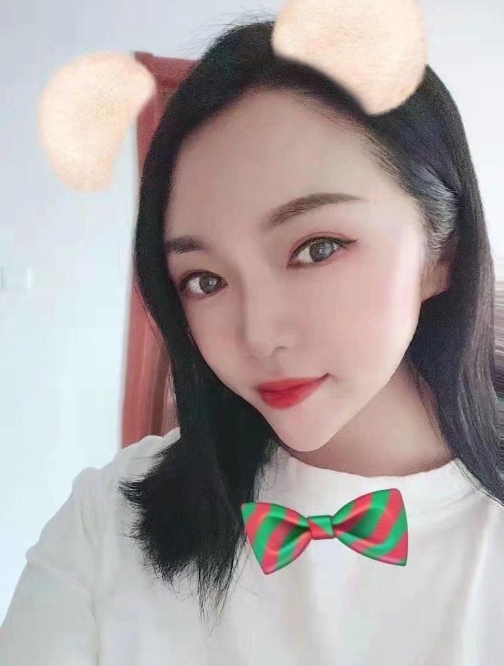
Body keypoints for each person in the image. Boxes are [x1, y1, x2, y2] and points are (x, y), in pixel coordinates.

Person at [2, 16, 504, 666]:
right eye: (205, 280)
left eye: (317, 248)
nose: (258, 336)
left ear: (444, 251)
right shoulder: (108, 523)